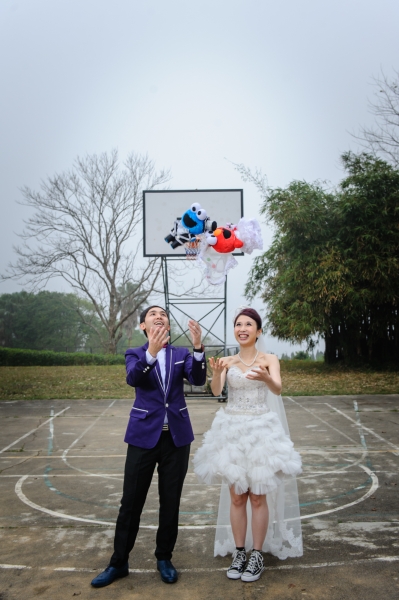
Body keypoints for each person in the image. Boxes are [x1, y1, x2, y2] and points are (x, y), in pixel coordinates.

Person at [91, 305, 206, 588]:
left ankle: (164, 558)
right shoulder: (134, 353)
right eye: (152, 314)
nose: (159, 316)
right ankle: (118, 562)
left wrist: (198, 347)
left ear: (168, 324)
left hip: (176, 439)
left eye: (163, 314)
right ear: (143, 326)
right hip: (143, 437)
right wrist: (151, 353)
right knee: (130, 503)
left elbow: (199, 380)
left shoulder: (181, 354)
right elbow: (134, 378)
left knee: (171, 502)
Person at [193, 307, 302, 583]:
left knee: (258, 496)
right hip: (231, 430)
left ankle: (256, 555)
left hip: (261, 429)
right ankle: (239, 552)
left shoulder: (269, 359)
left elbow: (277, 388)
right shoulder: (227, 361)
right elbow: (216, 392)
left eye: (248, 324)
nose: (242, 328)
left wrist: (265, 377)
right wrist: (216, 373)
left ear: (258, 330)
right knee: (237, 496)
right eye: (238, 324)